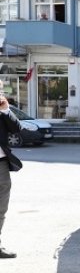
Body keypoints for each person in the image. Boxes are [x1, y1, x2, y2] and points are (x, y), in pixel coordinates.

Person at [0, 85, 21, 259]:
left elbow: (16, 129)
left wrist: (6, 110)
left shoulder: (2, 110)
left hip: (1, 164)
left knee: (1, 208)